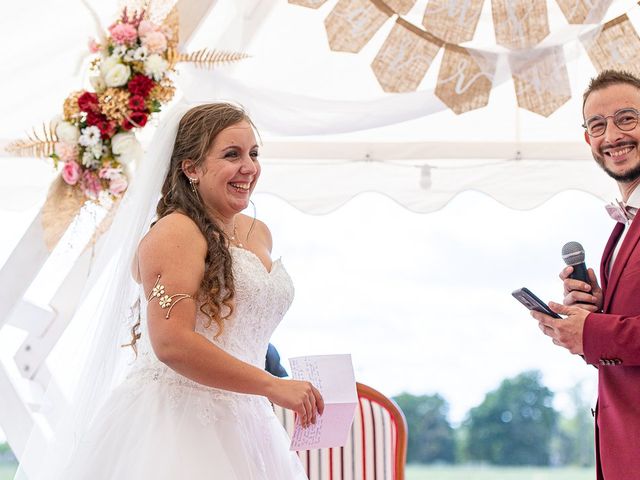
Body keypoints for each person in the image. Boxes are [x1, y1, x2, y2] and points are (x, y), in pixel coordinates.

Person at [16, 102, 323, 479]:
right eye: (232, 154)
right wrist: (271, 385)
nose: (249, 167)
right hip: (178, 424)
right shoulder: (175, 233)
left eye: (253, 154)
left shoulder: (258, 233)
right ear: (191, 168)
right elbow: (172, 343)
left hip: (249, 421)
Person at [531, 69, 640, 480]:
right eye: (598, 125)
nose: (612, 136)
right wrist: (589, 315)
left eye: (627, 118)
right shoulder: (622, 227)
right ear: (587, 139)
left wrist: (593, 333)